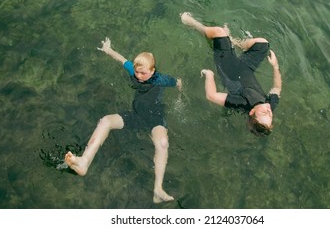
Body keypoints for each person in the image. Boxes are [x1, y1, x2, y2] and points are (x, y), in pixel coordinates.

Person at [64, 37, 182, 203]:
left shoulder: (161, 79)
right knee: (105, 120)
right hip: (136, 114)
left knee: (162, 143)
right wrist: (108, 49)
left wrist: (180, 92)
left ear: (153, 71)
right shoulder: (134, 71)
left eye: (144, 73)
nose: (139, 76)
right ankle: (84, 161)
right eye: (137, 72)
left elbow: (177, 82)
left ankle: (158, 189)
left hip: (155, 118)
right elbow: (122, 59)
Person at [180, 12, 282, 136]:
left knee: (219, 32)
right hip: (246, 68)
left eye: (264, 113)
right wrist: (275, 66)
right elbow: (277, 88)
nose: (269, 111)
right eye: (270, 115)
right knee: (263, 44)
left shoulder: (242, 103)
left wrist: (209, 74)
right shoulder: (269, 104)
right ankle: (236, 43)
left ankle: (195, 25)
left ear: (252, 112)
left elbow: (211, 96)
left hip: (228, 68)